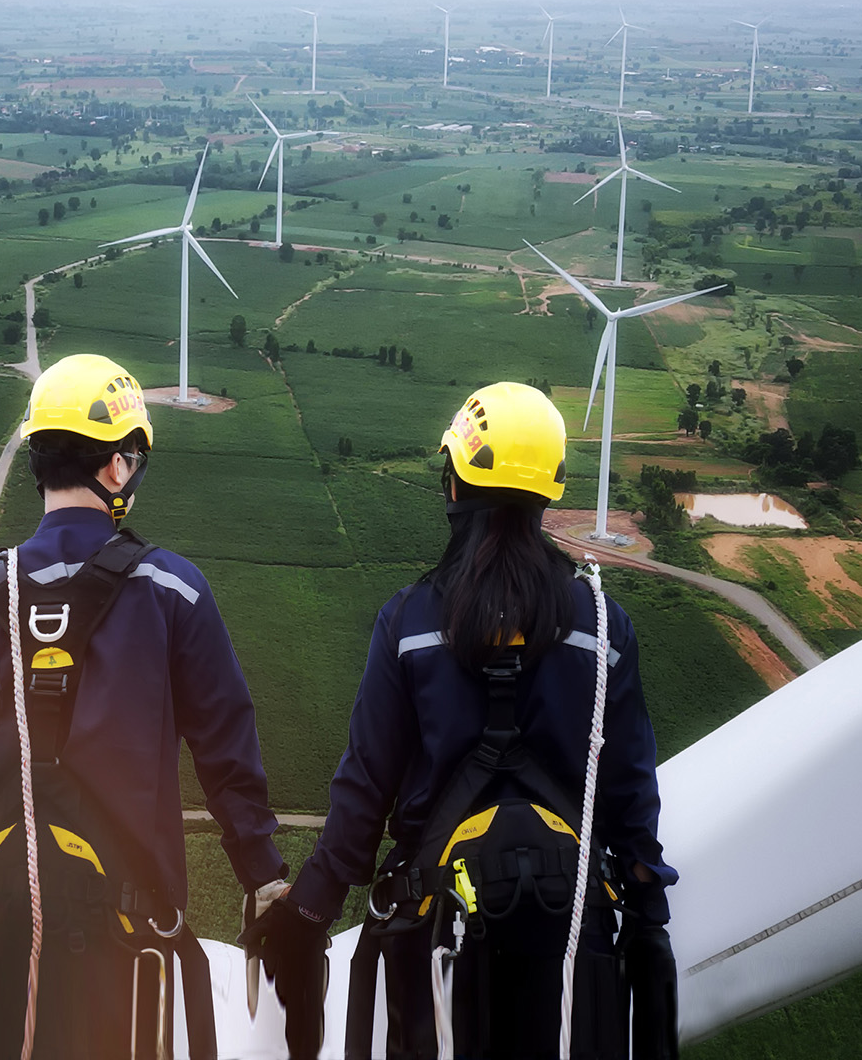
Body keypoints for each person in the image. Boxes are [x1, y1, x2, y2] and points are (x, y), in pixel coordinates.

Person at [248, 381, 679, 1059]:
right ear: (550, 491)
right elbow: (629, 786)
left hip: (434, 941)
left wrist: (310, 907)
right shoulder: (603, 625)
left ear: (454, 485)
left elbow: (366, 782)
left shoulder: (411, 621)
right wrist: (648, 906)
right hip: (573, 938)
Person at [0, 352, 288, 1060]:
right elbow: (225, 748)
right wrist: (262, 877)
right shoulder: (174, 592)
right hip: (132, 932)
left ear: (38, 458)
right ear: (119, 467)